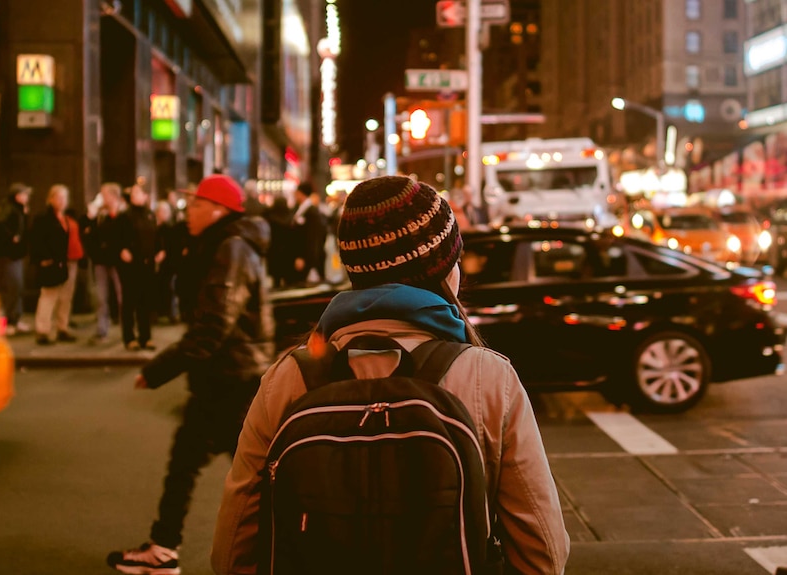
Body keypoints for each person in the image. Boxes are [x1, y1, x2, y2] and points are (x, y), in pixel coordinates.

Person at [211, 175, 570, 575]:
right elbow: (544, 555)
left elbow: (231, 554)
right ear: (443, 270)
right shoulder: (487, 376)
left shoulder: (289, 377)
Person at [107, 174, 275, 575]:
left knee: (252, 475)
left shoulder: (231, 247)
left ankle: (293, 547)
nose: (189, 212)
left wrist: (159, 368)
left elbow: (215, 323)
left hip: (230, 379)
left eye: (197, 205)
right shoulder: (222, 244)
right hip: (225, 376)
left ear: (218, 210)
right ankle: (163, 548)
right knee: (201, 466)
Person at [116, 184, 163, 351]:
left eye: (138, 192)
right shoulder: (125, 216)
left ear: (145, 196)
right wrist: (122, 250)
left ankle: (146, 337)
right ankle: (129, 338)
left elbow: (156, 235)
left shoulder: (149, 215)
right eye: (133, 192)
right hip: (131, 265)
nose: (135, 195)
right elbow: (118, 238)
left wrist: (160, 250)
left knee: (146, 301)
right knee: (129, 301)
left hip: (147, 264)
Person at [30, 184, 74, 345]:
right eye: (59, 198)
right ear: (51, 199)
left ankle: (62, 327)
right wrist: (44, 258)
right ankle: (42, 330)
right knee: (48, 296)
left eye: (64, 198)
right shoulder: (43, 218)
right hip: (49, 262)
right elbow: (36, 240)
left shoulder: (65, 218)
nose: (62, 201)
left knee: (64, 298)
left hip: (62, 262)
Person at [82, 182, 125, 344]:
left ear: (113, 196)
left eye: (104, 194)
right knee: (102, 297)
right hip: (101, 261)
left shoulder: (122, 215)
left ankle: (126, 329)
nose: (102, 198)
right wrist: (90, 219)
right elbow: (90, 236)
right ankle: (102, 330)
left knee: (122, 296)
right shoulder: (100, 216)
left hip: (118, 261)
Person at [0, 183, 33, 336]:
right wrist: (12, 238)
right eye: (25, 194)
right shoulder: (9, 209)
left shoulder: (18, 210)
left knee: (17, 286)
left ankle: (15, 318)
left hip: (15, 255)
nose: (27, 198)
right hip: (8, 255)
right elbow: (0, 227)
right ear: (17, 196)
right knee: (11, 287)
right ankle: (8, 321)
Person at [291, 181, 328, 284]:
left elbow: (313, 238)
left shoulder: (312, 212)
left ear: (300, 193)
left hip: (307, 260)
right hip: (302, 258)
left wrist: (306, 259)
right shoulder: (301, 209)